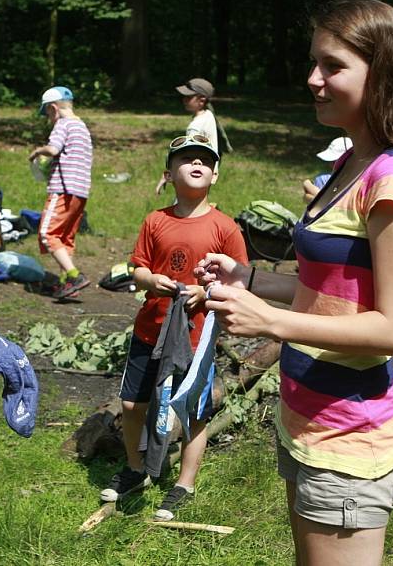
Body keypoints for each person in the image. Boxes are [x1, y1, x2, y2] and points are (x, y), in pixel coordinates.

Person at [196, 0, 393, 565]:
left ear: (383, 70)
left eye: (333, 65)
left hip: (352, 438)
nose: (313, 79)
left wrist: (269, 321)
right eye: (314, 62)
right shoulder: (352, 163)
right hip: (308, 422)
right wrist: (252, 279)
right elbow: (335, 297)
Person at [101, 134, 248, 521]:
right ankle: (136, 469)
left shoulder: (225, 227)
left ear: (215, 175)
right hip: (150, 328)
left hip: (196, 338)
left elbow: (239, 280)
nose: (196, 164)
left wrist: (205, 291)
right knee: (133, 404)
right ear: (169, 173)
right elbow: (138, 268)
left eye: (204, 160)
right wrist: (150, 281)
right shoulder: (156, 220)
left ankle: (184, 483)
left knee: (192, 412)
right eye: (187, 160)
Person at [28, 86, 93, 300]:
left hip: (63, 189)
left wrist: (38, 151)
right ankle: (67, 284)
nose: (48, 118)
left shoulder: (63, 124)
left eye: (47, 112)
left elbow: (53, 149)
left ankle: (74, 276)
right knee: (65, 238)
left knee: (48, 234)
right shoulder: (82, 126)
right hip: (81, 192)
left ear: (54, 108)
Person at [155, 78, 231, 195]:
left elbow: (188, 152)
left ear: (201, 100)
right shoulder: (208, 115)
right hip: (207, 171)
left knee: (184, 205)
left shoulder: (196, 126)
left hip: (194, 175)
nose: (184, 100)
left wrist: (168, 174)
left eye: (189, 97)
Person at [301, 136, 352, 203]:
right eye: (330, 161)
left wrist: (307, 184)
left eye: (334, 161)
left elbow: (318, 202)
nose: (330, 164)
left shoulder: (323, 178)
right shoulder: (360, 178)